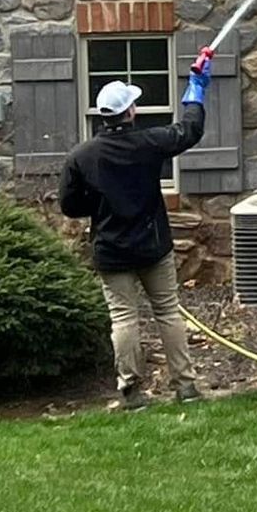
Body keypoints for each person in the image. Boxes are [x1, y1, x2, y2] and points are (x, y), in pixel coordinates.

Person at [58, 48, 213, 409]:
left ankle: (131, 392)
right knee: (168, 312)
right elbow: (188, 130)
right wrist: (196, 87)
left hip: (111, 251)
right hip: (153, 246)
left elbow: (70, 206)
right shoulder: (148, 144)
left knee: (124, 318)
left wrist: (98, 207)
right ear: (130, 112)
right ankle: (186, 387)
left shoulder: (81, 157)